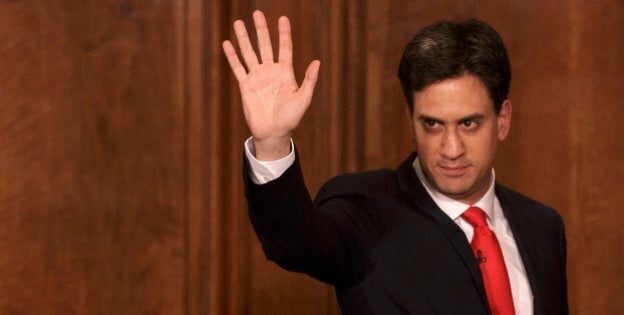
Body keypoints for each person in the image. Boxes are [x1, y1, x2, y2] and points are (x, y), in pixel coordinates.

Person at [223, 10, 568, 315]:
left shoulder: (542, 227)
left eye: (469, 123)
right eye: (432, 124)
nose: (451, 148)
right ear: (411, 119)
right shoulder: (366, 211)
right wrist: (271, 143)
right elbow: (295, 242)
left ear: (503, 119)